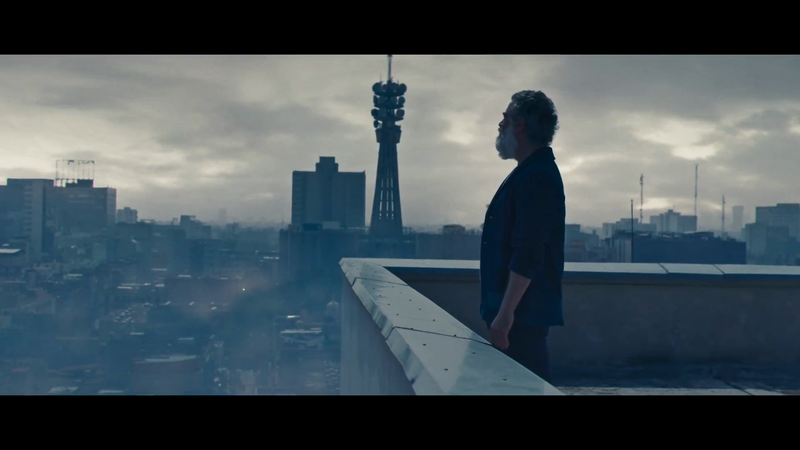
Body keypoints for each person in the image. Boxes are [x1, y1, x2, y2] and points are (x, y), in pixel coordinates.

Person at [479, 90, 566, 383]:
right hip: (520, 313)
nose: (499, 124)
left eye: (505, 118)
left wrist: (506, 313)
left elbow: (528, 252)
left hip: (523, 315)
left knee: (525, 383)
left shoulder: (537, 176)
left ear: (519, 124)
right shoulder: (529, 172)